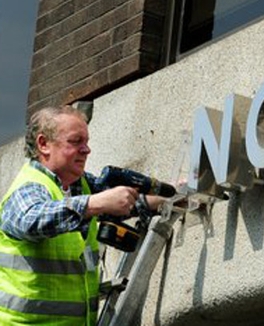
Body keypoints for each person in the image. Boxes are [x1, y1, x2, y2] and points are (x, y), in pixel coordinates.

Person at [0, 105, 161, 325]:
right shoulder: (28, 188)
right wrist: (95, 203)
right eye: (76, 142)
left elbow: (120, 202)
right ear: (43, 144)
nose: (86, 150)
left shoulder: (80, 184)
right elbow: (32, 220)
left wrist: (167, 199)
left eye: (86, 142)